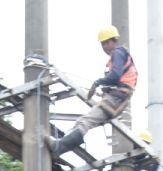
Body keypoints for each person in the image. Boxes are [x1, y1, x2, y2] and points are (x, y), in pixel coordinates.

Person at [49, 26, 139, 157]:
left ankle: (58, 148)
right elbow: (119, 79)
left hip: (116, 97)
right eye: (103, 44)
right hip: (119, 98)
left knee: (85, 121)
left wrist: (97, 83)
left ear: (112, 41)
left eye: (106, 43)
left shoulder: (117, 52)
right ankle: (61, 146)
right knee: (86, 121)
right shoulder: (121, 56)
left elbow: (115, 76)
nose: (105, 47)